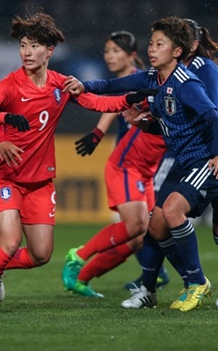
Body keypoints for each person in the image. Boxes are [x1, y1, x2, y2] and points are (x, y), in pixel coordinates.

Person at [0, 12, 155, 312]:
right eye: (23, 46)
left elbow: (99, 103)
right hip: (7, 179)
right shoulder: (10, 85)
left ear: (50, 51)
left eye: (34, 46)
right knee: (11, 242)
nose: (27, 52)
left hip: (40, 182)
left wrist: (131, 98)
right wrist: (3, 123)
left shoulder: (60, 85)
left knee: (41, 255)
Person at [64, 16, 218, 312]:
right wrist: (83, 86)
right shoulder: (152, 79)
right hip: (184, 163)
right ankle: (154, 286)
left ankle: (196, 282)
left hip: (205, 161)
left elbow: (214, 119)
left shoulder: (187, 84)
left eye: (159, 44)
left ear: (177, 51)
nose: (152, 49)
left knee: (169, 212)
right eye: (152, 43)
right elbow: (110, 85)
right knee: (154, 228)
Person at [124, 19, 218, 309]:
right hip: (190, 158)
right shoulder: (167, 75)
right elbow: (175, 120)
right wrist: (149, 122)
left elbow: (210, 119)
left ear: (190, 46)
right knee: (158, 223)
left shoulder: (205, 71)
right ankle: (168, 285)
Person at [62, 31, 169, 297]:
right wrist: (97, 128)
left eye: (115, 51)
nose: (109, 56)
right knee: (136, 228)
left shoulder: (154, 82)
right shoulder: (145, 83)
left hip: (145, 163)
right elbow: (112, 101)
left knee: (138, 234)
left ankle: (81, 279)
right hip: (128, 160)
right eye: (107, 51)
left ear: (132, 56)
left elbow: (116, 101)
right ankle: (81, 258)